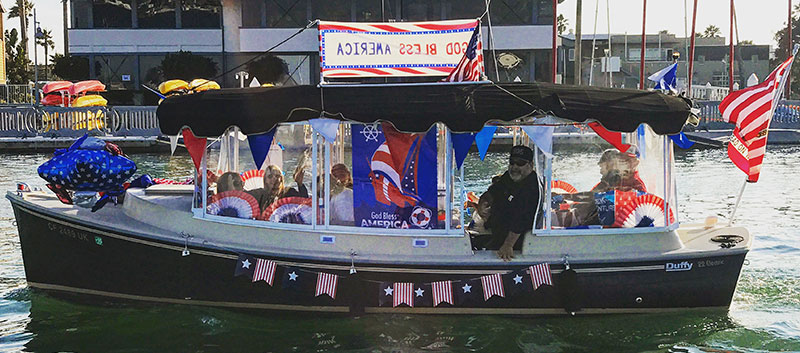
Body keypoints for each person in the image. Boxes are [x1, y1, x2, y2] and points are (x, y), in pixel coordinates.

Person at [483, 145, 542, 261]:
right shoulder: (509, 177)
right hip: (497, 232)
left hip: (518, 242)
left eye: (520, 163)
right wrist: (483, 202)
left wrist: (508, 245)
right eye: (512, 162)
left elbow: (522, 219)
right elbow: (494, 191)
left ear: (530, 165)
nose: (515, 167)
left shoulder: (533, 187)